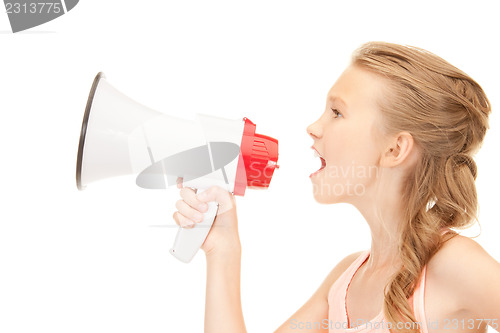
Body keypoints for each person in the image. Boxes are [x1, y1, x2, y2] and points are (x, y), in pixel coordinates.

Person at [172, 42, 500, 333]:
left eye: (337, 112)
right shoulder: (345, 282)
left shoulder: (456, 265)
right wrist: (224, 250)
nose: (314, 127)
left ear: (394, 149)